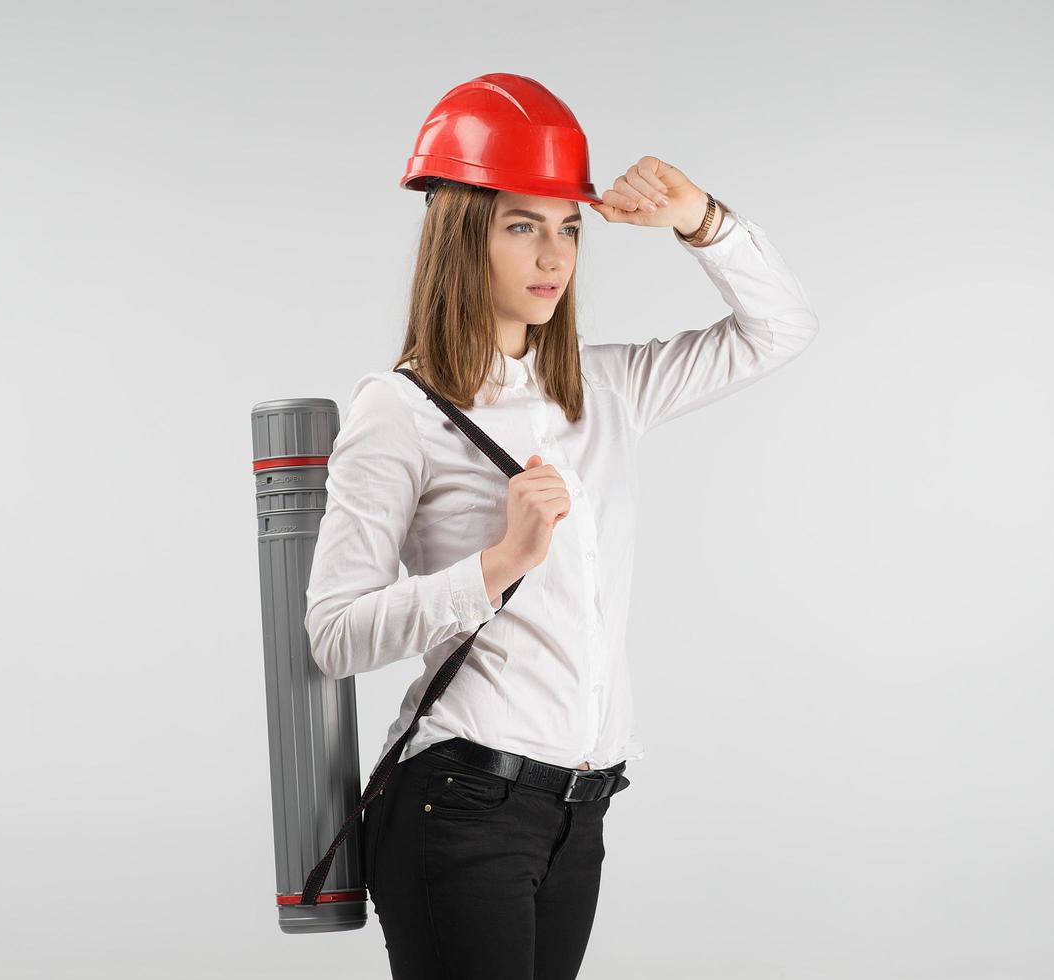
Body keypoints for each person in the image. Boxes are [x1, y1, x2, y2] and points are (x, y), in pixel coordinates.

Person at [303, 74, 818, 979]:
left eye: (568, 227)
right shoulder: (399, 408)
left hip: (579, 810)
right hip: (459, 804)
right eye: (521, 225)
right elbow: (334, 636)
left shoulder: (604, 388)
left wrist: (703, 221)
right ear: (463, 233)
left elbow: (779, 329)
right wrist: (496, 563)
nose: (554, 255)